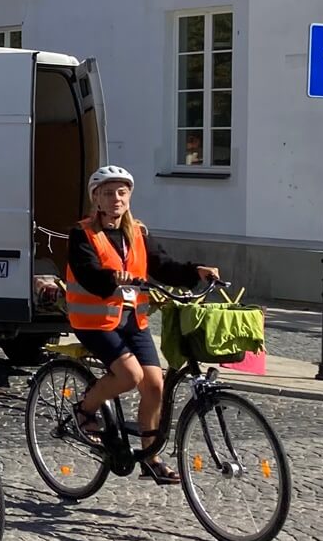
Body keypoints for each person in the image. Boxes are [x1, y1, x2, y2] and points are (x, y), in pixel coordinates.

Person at [62, 166, 220, 485]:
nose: (116, 198)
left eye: (122, 192)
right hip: (95, 321)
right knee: (130, 376)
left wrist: (195, 272)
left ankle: (150, 457)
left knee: (154, 384)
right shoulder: (83, 234)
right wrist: (110, 278)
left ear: (129, 196)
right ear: (96, 198)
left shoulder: (138, 232)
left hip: (133, 319)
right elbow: (88, 272)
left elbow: (163, 265)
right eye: (108, 192)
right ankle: (84, 410)